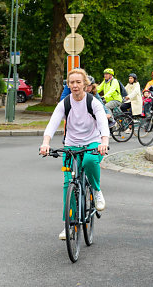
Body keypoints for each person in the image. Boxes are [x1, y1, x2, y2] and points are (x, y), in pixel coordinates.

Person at [39, 68, 109, 240]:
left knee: (90, 161)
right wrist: (45, 143)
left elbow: (102, 124)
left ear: (85, 84)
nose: (75, 85)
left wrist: (104, 142)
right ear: (68, 85)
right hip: (71, 144)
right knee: (68, 183)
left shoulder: (93, 102)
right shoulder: (65, 103)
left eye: (78, 82)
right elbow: (52, 124)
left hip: (93, 142)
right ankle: (69, 225)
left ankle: (97, 190)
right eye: (72, 82)